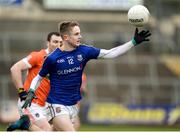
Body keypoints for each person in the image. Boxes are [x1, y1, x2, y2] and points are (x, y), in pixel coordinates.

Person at [22, 21, 151, 131]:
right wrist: (32, 91)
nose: (80, 36)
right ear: (66, 37)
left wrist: (133, 42)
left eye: (80, 33)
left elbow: (111, 53)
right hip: (56, 104)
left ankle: (28, 126)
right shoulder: (52, 58)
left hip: (72, 104)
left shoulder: (84, 51)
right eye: (76, 34)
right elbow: (39, 77)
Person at [7, 32, 62, 131]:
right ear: (48, 43)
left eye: (60, 42)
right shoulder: (38, 56)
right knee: (46, 129)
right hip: (31, 102)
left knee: (60, 127)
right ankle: (27, 125)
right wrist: (21, 91)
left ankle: (25, 125)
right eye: (55, 42)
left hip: (46, 105)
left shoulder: (60, 61)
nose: (58, 45)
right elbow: (15, 68)